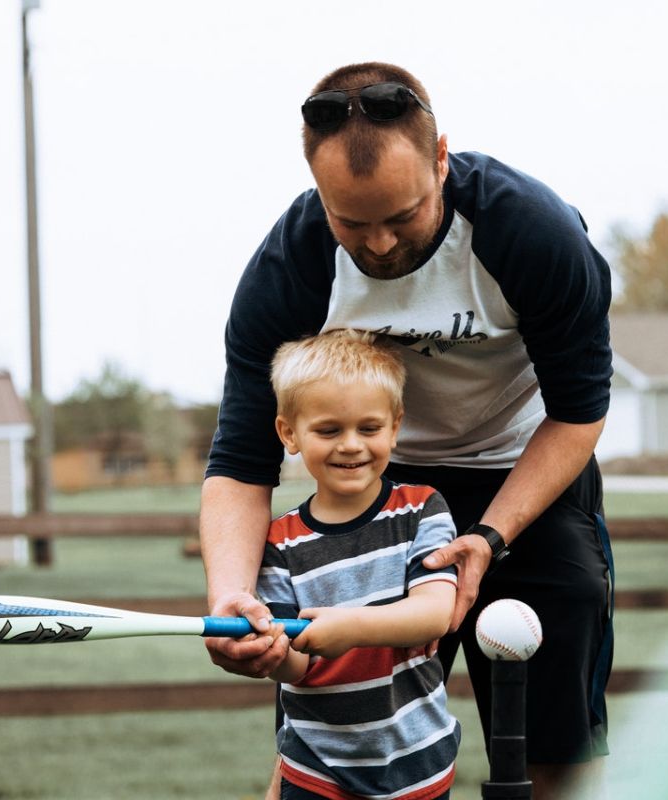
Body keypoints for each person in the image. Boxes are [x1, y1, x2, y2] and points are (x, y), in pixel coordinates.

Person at [200, 61, 614, 799]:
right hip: (377, 483)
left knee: (558, 746)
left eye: (403, 214)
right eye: (352, 222)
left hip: (525, 471)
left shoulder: (531, 233)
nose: (383, 245)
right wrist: (233, 595)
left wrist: (489, 537)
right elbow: (240, 463)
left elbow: (578, 413)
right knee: (333, 723)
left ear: (442, 159)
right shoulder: (289, 267)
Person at [259, 330, 460, 799]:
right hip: (317, 769)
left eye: (368, 428)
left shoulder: (421, 511)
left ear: (395, 426)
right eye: (329, 430)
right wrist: (268, 651)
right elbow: (292, 665)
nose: (351, 445)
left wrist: (349, 627)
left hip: (418, 761)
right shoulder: (279, 541)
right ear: (289, 433)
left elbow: (434, 614)